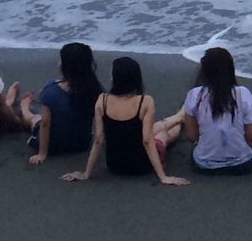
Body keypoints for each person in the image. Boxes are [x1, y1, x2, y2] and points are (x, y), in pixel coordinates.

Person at [61, 56, 189, 185]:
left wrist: (86, 173)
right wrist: (163, 177)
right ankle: (180, 120)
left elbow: (99, 139)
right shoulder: (145, 101)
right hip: (141, 166)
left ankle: (179, 117)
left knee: (153, 128)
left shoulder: (102, 100)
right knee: (164, 134)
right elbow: (147, 141)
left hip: (115, 166)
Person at [181, 47, 252, 174]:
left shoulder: (195, 95)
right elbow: (250, 135)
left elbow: (191, 135)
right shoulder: (242, 93)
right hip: (241, 163)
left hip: (205, 164)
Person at [20, 42, 103, 164]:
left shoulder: (51, 89)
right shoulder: (97, 90)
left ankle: (24, 107)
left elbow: (45, 124)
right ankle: (26, 108)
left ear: (65, 66)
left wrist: (42, 154)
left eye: (60, 60)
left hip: (54, 144)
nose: (58, 63)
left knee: (35, 119)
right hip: (81, 144)